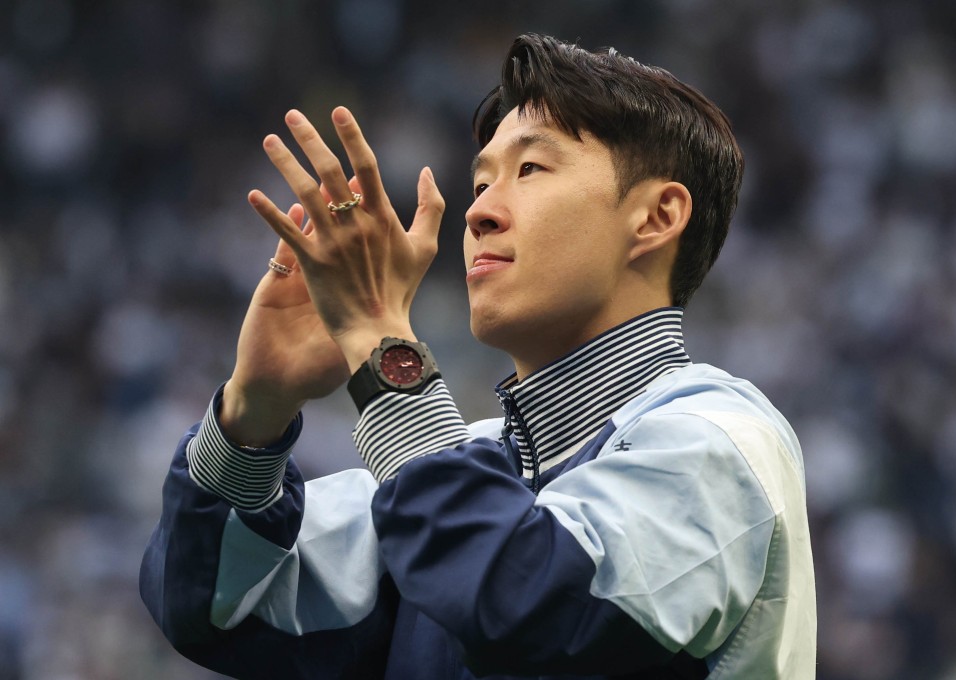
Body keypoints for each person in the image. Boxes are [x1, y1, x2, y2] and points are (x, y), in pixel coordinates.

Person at [140, 33, 816, 679]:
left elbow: (519, 598)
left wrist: (384, 345)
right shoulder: (454, 469)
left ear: (657, 216)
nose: (479, 213)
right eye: (482, 180)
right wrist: (252, 415)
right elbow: (210, 610)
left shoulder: (721, 443)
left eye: (530, 168)